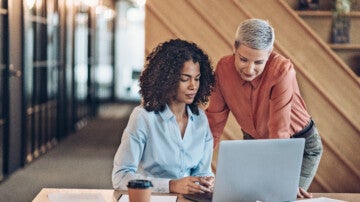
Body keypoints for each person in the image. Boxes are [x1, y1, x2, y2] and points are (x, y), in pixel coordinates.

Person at [205, 18, 323, 199]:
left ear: (269, 54)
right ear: (234, 48)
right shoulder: (223, 69)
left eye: (259, 62)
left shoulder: (282, 70)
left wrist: (283, 182)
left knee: (281, 197)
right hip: (255, 142)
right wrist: (197, 166)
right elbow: (213, 124)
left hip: (297, 145)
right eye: (243, 59)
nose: (250, 69)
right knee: (247, 197)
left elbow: (279, 132)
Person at [112, 38, 216, 194]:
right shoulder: (143, 118)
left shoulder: (200, 118)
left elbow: (202, 172)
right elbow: (120, 177)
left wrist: (206, 181)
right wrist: (171, 185)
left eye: (197, 78)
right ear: (167, 79)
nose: (193, 86)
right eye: (185, 79)